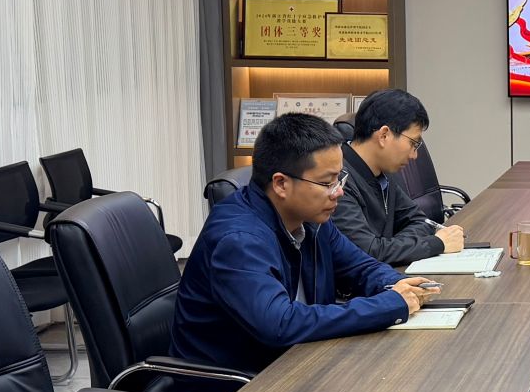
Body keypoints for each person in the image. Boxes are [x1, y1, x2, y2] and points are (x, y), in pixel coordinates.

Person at [170, 112, 435, 373]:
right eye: (327, 183)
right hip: (236, 385)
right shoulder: (238, 240)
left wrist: (399, 285)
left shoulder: (311, 219)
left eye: (339, 179)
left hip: (298, 361)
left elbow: (360, 267)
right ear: (281, 184)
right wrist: (389, 305)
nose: (338, 192)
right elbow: (279, 324)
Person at [332, 90, 465, 271]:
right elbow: (366, 252)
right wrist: (436, 243)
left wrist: (389, 247)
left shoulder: (383, 174)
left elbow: (421, 221)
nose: (414, 155)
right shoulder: (337, 180)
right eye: (413, 143)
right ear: (384, 135)